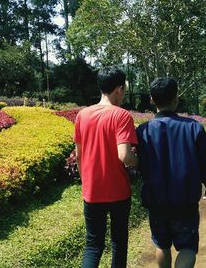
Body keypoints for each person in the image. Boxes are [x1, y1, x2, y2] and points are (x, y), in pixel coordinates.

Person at [136, 77, 206, 268]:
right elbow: (205, 160)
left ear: (152, 100)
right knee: (187, 248)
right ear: (176, 100)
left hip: (156, 200)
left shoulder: (142, 131)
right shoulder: (193, 127)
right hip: (185, 200)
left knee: (161, 245)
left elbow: (140, 165)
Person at [74, 66, 139, 268]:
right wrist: (139, 162)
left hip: (92, 191)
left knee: (93, 245)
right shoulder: (122, 116)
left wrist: (86, 182)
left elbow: (79, 155)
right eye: (125, 89)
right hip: (118, 192)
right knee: (119, 242)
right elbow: (125, 156)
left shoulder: (82, 115)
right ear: (118, 89)